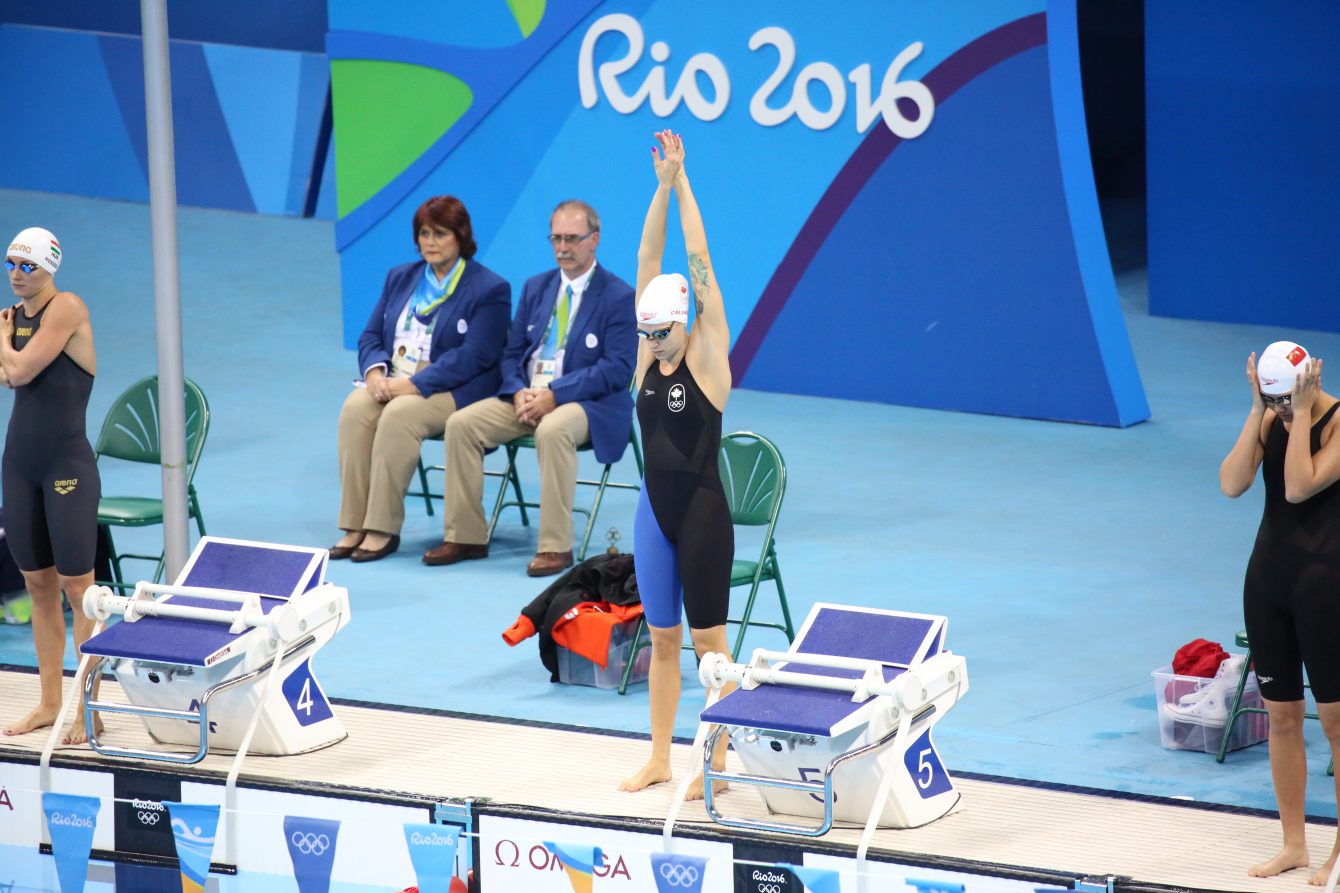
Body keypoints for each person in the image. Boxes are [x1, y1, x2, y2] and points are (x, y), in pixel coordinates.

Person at [424, 200, 636, 577]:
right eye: (556, 238)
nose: (562, 248)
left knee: (553, 430)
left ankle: (556, 547)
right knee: (462, 424)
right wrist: (519, 389)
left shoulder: (619, 296)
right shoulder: (536, 287)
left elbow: (617, 369)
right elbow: (512, 352)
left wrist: (556, 393)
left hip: (588, 403)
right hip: (529, 396)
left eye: (572, 239)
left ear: (594, 240)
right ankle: (466, 536)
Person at [619, 132, 735, 797]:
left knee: (708, 651)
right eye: (645, 334)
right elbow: (646, 256)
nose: (654, 345)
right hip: (651, 513)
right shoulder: (647, 355)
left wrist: (684, 181)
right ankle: (661, 756)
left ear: (686, 322)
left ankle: (717, 762)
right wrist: (658, 187)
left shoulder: (709, 358)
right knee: (662, 642)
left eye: (661, 333)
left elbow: (698, 260)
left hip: (701, 512)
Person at [1219, 340, 1340, 883]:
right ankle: (1294, 843)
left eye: (1287, 402)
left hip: (1326, 588)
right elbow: (1231, 483)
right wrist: (1256, 413)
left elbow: (1298, 486)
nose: (1283, 413)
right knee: (1283, 719)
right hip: (1268, 583)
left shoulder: (1338, 422)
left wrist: (1304, 413)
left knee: (1337, 723)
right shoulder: (1269, 417)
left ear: (1308, 383)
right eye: (1276, 403)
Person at [331, 196, 511, 562]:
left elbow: (478, 353)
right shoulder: (401, 277)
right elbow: (370, 336)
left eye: (440, 233)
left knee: (400, 415)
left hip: (456, 389)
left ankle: (382, 528)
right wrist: (377, 372)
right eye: (424, 233)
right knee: (355, 408)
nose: (429, 241)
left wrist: (412, 385)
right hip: (395, 379)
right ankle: (354, 524)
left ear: (460, 236)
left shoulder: (489, 288)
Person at [0, 227, 102, 745]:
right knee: (37, 586)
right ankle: (48, 702)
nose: (16, 276)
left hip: (67, 465)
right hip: (19, 463)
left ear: (50, 269)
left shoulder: (66, 308)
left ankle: (90, 710)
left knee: (78, 590)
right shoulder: (15, 317)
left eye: (27, 267)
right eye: (11, 266)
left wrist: (2, 340)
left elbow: (15, 371)